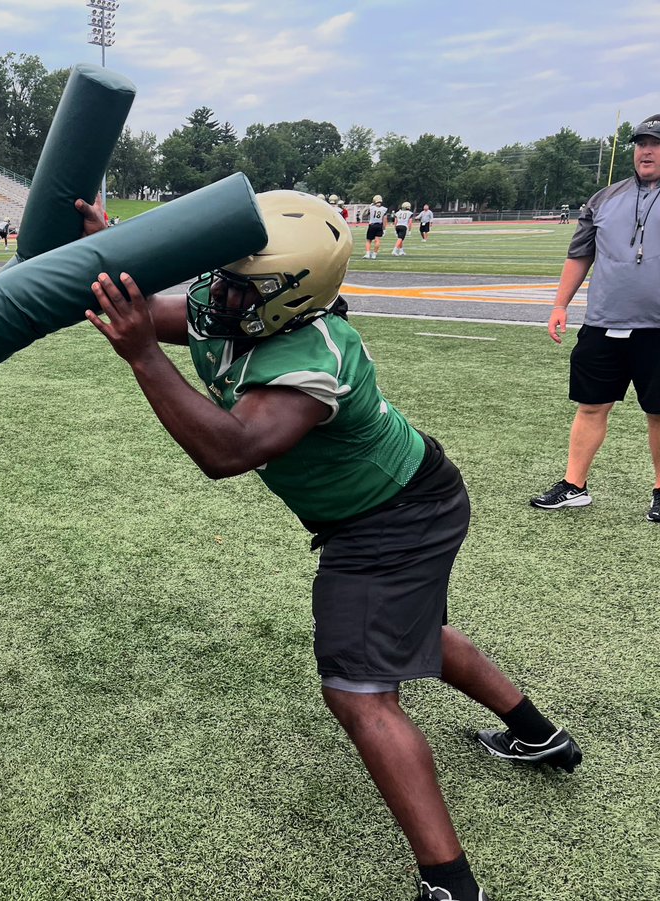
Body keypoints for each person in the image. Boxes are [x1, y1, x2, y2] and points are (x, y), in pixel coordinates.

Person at [84, 190, 581, 901]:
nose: (216, 293)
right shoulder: (244, 308)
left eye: (239, 285)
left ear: (290, 295)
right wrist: (110, 254)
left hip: (395, 517)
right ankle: (539, 736)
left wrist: (140, 356)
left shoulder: (312, 356)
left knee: (358, 689)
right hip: (400, 499)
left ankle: (451, 886)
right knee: (416, 633)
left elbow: (229, 450)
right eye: (220, 276)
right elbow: (161, 314)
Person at [530, 113, 660, 521]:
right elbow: (580, 254)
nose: (647, 151)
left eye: (656, 144)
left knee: (659, 413)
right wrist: (559, 305)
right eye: (641, 144)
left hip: (657, 328)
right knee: (590, 406)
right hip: (603, 323)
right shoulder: (604, 199)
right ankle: (574, 485)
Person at [363, 193, 388, 259]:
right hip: (379, 225)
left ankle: (367, 254)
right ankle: (374, 254)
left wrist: (368, 208)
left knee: (369, 240)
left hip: (372, 225)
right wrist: (384, 229)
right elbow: (384, 220)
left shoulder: (371, 208)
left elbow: (364, 215)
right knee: (377, 240)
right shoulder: (384, 209)